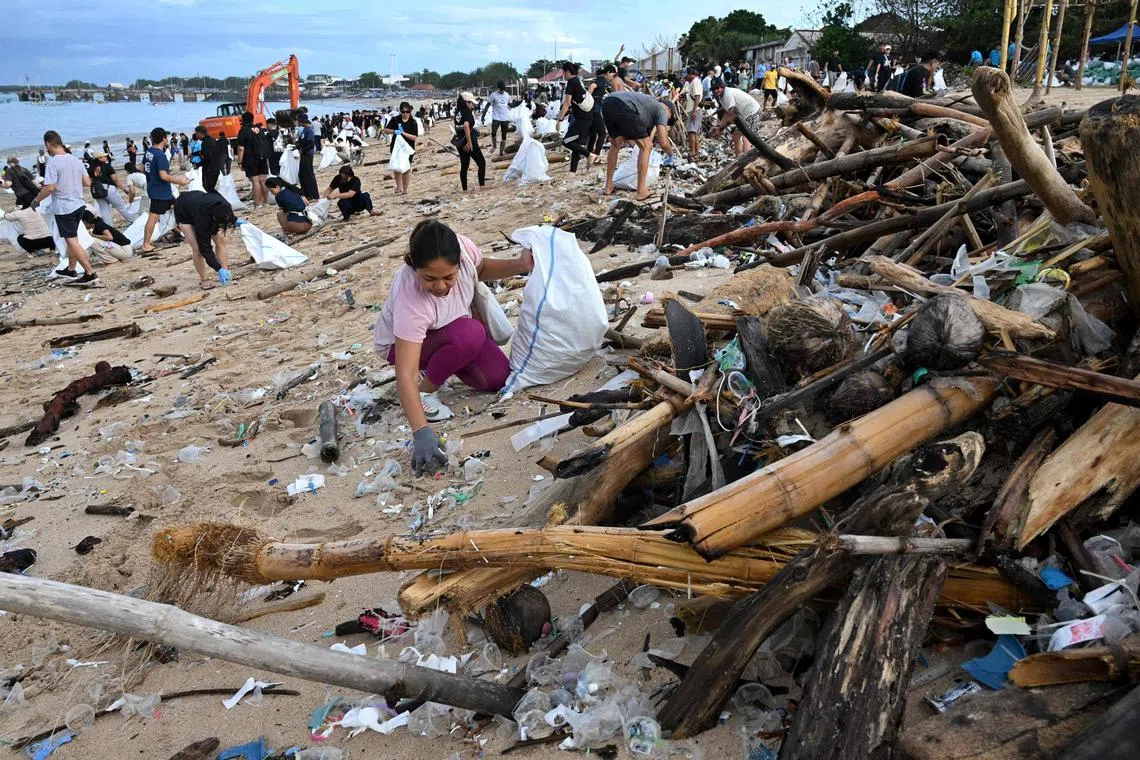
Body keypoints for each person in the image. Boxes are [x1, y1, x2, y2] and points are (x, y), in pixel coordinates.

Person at [372, 220, 534, 473]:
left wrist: (521, 265)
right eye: (430, 279)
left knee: (496, 378)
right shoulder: (411, 300)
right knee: (470, 333)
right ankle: (425, 391)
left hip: (451, 331)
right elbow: (405, 372)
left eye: (449, 277)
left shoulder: (465, 251)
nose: (440, 286)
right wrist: (421, 431)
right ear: (414, 267)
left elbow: (482, 268)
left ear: (459, 263)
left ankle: (445, 360)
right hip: (403, 345)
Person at [33, 130, 98, 285]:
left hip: (65, 207)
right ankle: (70, 269)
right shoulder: (75, 159)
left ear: (48, 144)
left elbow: (49, 187)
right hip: (79, 204)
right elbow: (87, 183)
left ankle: (90, 273)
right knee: (72, 239)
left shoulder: (53, 162)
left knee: (72, 240)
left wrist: (36, 200)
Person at [600, 90, 676, 201]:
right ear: (668, 111)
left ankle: (608, 186)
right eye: (668, 120)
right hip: (623, 105)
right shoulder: (661, 110)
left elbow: (633, 138)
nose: (665, 122)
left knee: (616, 144)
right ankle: (641, 191)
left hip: (608, 103)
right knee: (647, 147)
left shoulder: (647, 106)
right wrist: (671, 153)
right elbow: (663, 142)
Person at [173, 190, 235, 289]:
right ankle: (204, 279)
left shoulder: (224, 206)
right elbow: (205, 248)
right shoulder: (202, 220)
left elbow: (229, 217)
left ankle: (226, 271)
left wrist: (235, 221)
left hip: (199, 202)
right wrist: (217, 268)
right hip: (183, 209)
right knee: (197, 248)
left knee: (220, 240)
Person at [141, 127, 189, 255]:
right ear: (163, 139)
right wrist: (180, 181)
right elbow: (164, 176)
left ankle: (184, 233)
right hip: (159, 192)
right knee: (153, 218)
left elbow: (141, 168)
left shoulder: (149, 152)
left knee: (179, 210)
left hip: (161, 190)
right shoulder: (160, 155)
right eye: (166, 137)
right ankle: (146, 244)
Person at [557, 62, 593, 173]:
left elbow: (567, 103)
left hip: (582, 119)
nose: (563, 74)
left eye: (563, 72)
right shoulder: (578, 80)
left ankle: (590, 155)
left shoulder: (571, 83)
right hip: (586, 117)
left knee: (566, 142)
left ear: (567, 71)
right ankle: (573, 171)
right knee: (575, 144)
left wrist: (560, 119)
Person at [710, 78, 762, 158]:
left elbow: (731, 114)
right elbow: (728, 114)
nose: (716, 91)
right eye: (714, 89)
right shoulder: (722, 97)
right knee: (736, 136)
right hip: (746, 115)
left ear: (722, 86)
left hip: (753, 112)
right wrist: (720, 127)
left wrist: (720, 128)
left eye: (717, 88)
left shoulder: (727, 94)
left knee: (747, 138)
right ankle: (738, 158)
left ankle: (747, 161)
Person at [88, 151, 136, 225]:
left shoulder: (91, 168)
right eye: (104, 156)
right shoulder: (107, 166)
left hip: (97, 190)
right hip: (108, 188)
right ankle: (133, 220)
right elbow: (115, 180)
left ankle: (109, 227)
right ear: (99, 158)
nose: (106, 157)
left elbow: (90, 181)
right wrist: (125, 190)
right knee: (121, 206)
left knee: (104, 210)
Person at [382, 101, 419, 195]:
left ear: (410, 111)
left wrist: (403, 133)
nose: (405, 114)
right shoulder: (395, 120)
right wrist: (395, 131)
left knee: (406, 168)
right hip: (396, 147)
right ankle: (399, 186)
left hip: (408, 148)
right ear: (400, 111)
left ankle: (405, 190)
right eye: (403, 112)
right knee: (397, 167)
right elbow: (385, 130)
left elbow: (414, 137)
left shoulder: (413, 122)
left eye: (407, 112)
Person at [235, 112, 270, 208]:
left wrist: (240, 161)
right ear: (252, 119)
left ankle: (258, 203)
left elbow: (241, 148)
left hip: (250, 158)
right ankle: (266, 202)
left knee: (256, 181)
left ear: (243, 120)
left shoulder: (243, 131)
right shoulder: (260, 129)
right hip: (262, 157)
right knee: (263, 181)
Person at [454, 92, 486, 192]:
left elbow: (458, 127)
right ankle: (482, 186)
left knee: (464, 166)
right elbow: (466, 125)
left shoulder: (457, 112)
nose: (472, 105)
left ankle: (465, 190)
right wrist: (469, 142)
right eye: (470, 103)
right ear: (466, 102)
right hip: (469, 141)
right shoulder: (466, 111)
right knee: (481, 163)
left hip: (459, 141)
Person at [585, 66, 611, 167]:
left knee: (592, 135)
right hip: (594, 110)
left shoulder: (599, 79)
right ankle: (596, 157)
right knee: (602, 134)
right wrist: (588, 99)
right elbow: (592, 87)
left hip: (590, 110)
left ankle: (589, 156)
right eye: (611, 74)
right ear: (607, 73)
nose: (611, 77)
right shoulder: (601, 79)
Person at [482, 81, 512, 156]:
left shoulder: (507, 95)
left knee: (504, 135)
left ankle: (501, 152)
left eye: (503, 89)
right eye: (501, 89)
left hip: (505, 118)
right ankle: (494, 146)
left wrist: (512, 107)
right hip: (496, 117)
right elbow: (487, 106)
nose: (502, 91)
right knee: (493, 132)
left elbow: (509, 104)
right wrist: (483, 116)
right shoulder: (493, 95)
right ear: (498, 88)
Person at [680, 67, 705, 157]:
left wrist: (694, 110)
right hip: (693, 109)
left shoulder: (695, 82)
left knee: (691, 131)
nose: (685, 78)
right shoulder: (692, 82)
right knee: (694, 132)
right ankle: (695, 151)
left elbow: (697, 96)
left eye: (686, 76)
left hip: (695, 109)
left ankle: (693, 151)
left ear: (691, 74)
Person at [296, 112, 320, 201]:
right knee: (302, 174)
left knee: (308, 174)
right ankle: (306, 194)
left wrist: (303, 149)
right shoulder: (304, 130)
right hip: (304, 154)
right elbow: (302, 142)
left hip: (307, 155)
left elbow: (310, 143)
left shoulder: (309, 130)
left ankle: (313, 195)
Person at [193, 125, 220, 191]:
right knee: (210, 188)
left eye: (196, 133)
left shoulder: (206, 142)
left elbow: (207, 158)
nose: (196, 135)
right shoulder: (212, 139)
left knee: (207, 188)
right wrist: (194, 154)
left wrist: (197, 165)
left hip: (209, 170)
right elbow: (205, 152)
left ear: (201, 133)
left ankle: (220, 200)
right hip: (215, 168)